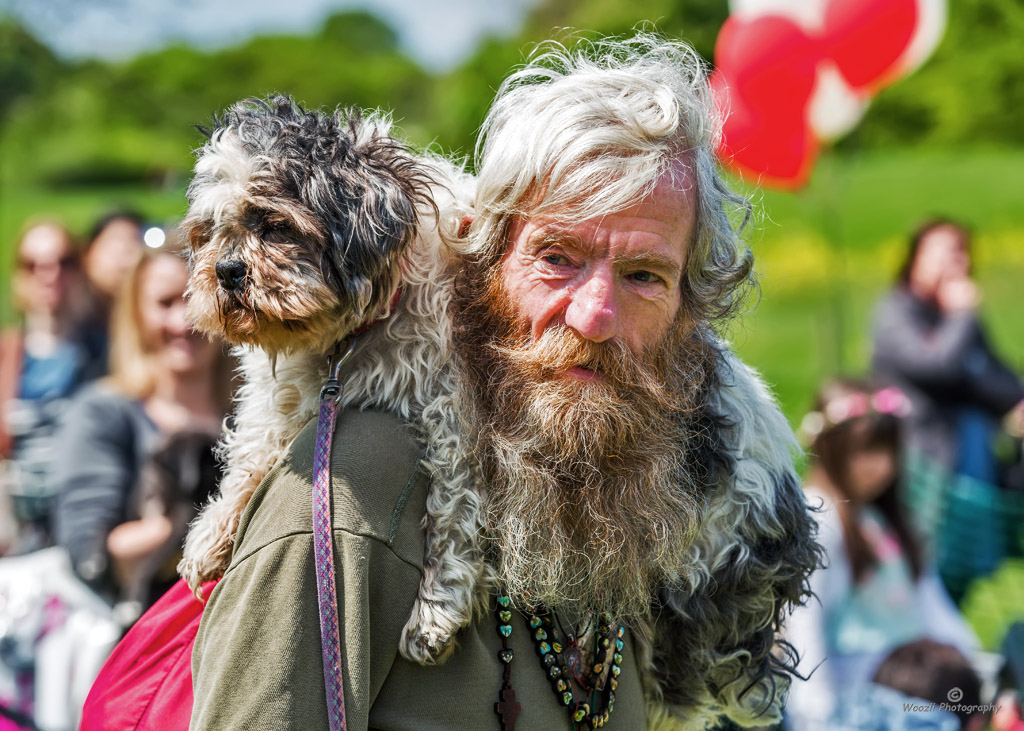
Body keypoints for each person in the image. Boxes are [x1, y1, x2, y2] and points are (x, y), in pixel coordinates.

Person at [190, 35, 820, 730]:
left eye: (645, 275)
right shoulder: (351, 495)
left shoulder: (628, 501)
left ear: (689, 315)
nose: (596, 315)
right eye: (557, 256)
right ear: (482, 262)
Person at [786, 379, 978, 731]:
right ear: (830, 447)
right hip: (855, 686)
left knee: (964, 688)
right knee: (945, 701)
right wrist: (815, 714)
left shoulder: (877, 518)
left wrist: (975, 659)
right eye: (864, 451)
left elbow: (926, 598)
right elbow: (805, 620)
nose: (879, 465)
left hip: (903, 667)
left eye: (886, 451)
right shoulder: (821, 518)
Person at [52, 237, 230, 616]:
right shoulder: (103, 412)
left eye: (195, 297)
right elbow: (90, 552)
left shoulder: (258, 414)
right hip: (140, 625)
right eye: (164, 303)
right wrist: (190, 524)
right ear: (135, 313)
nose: (183, 320)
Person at [872, 218, 1024, 483]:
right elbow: (937, 365)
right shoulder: (895, 312)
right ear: (915, 259)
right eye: (946, 254)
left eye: (963, 252)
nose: (959, 264)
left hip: (969, 444)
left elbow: (987, 368)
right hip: (922, 455)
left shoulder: (954, 315)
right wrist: (961, 314)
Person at [0, 221, 106, 553]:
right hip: (18, 535)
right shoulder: (7, 354)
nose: (51, 274)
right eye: (35, 265)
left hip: (88, 531)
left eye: (63, 261)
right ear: (20, 276)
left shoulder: (108, 352)